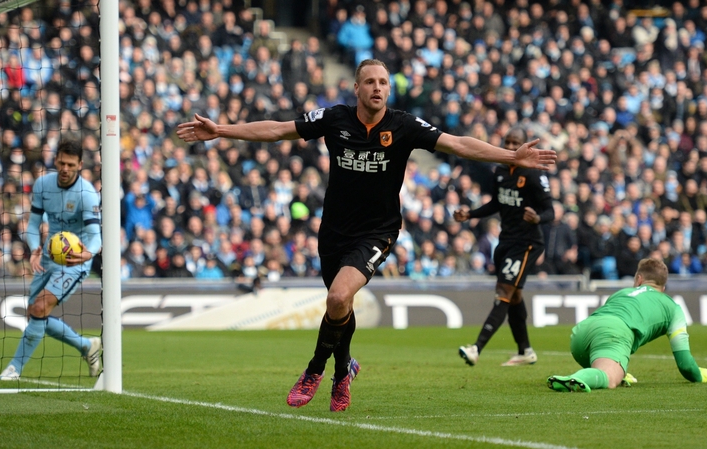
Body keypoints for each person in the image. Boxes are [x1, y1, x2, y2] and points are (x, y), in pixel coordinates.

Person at [176, 59, 556, 412]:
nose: (377, 87)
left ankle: (315, 370)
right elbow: (278, 130)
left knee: (339, 296)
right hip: (334, 230)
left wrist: (510, 157)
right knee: (340, 307)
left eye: (383, 82)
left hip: (377, 231)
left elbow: (457, 143)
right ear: (356, 88)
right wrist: (220, 131)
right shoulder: (334, 118)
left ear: (389, 89)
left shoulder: (404, 125)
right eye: (370, 82)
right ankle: (345, 370)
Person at [0, 140, 103, 380]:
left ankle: (14, 368)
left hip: (74, 260)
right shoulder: (43, 185)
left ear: (79, 165)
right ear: (55, 160)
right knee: (34, 313)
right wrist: (34, 248)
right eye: (62, 163)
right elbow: (33, 224)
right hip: (47, 255)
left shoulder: (87, 193)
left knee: (40, 307)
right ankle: (87, 346)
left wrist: (88, 254)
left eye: (71, 165)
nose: (65, 169)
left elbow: (95, 236)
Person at [454, 127, 554, 367]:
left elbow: (550, 211)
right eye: (507, 142)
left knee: (504, 291)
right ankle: (525, 351)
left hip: (527, 242)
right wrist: (470, 214)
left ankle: (476, 348)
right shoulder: (499, 171)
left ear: (525, 145)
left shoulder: (533, 174)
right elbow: (496, 204)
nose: (510, 147)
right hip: (506, 241)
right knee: (514, 295)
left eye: (515, 143)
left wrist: (537, 218)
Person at [547, 258, 707, 392]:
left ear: (639, 279)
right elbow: (685, 365)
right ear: (663, 287)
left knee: (612, 370)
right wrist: (701, 375)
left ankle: (610, 372)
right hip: (613, 333)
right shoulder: (674, 308)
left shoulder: (622, 292)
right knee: (609, 378)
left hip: (581, 334)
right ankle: (577, 378)